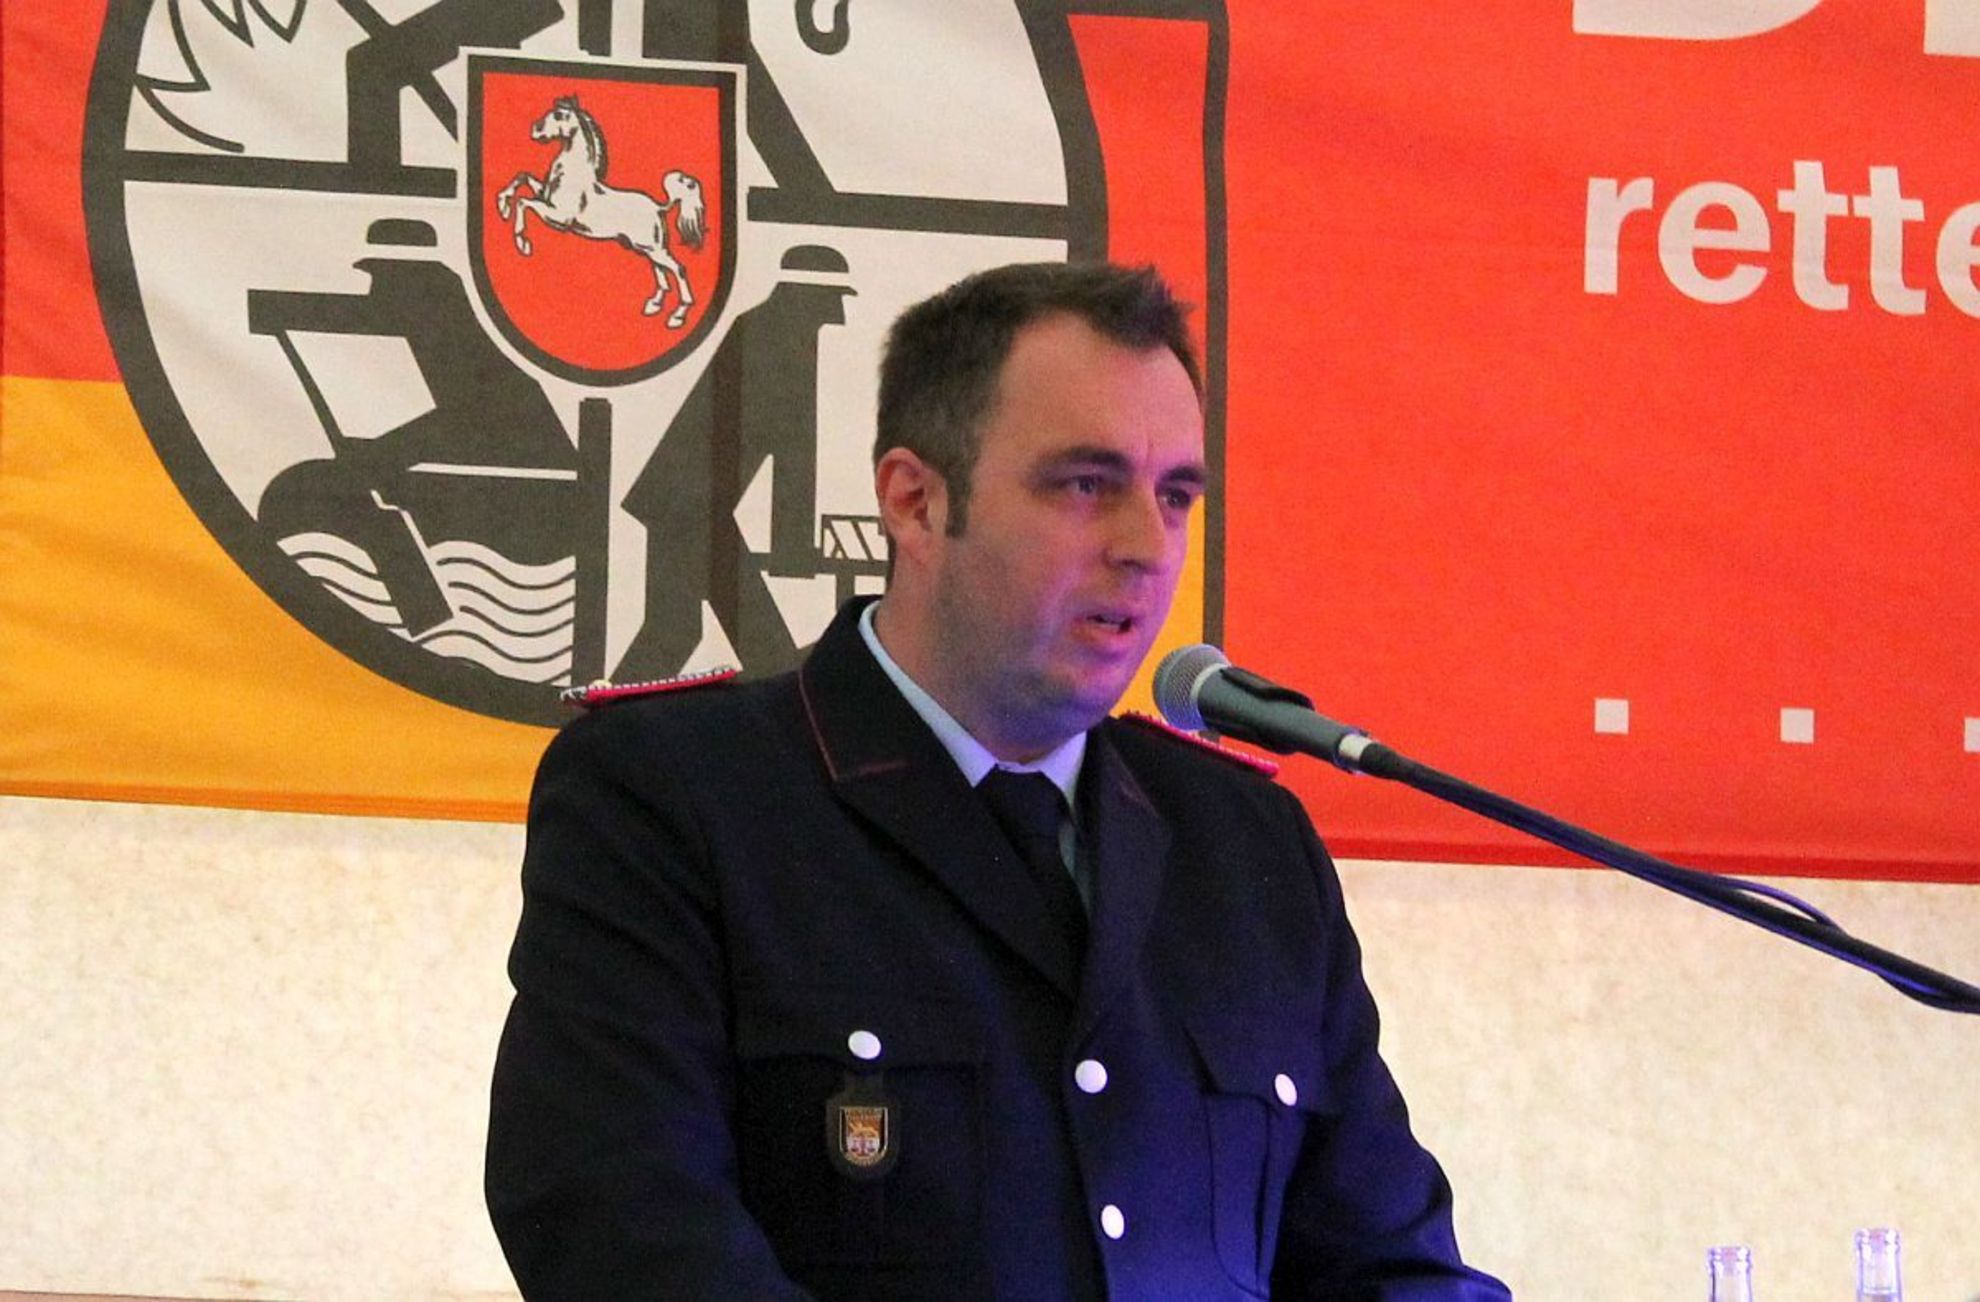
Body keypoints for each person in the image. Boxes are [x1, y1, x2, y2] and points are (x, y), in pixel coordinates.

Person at [485, 261, 1510, 1301]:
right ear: (916, 502)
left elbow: (1390, 1266)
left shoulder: (1248, 846)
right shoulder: (681, 795)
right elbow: (618, 1230)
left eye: (1175, 496)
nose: (1147, 547)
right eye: (1085, 485)